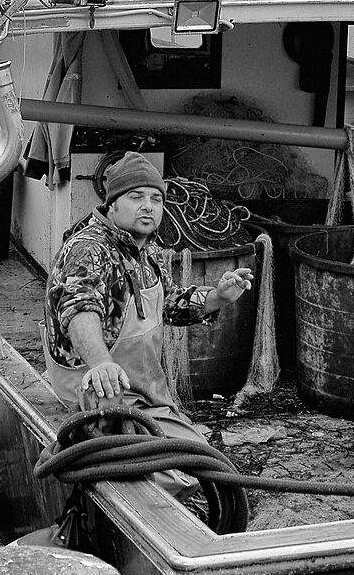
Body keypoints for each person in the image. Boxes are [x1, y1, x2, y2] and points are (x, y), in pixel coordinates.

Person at [43, 151, 252, 436]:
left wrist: (218, 296)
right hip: (96, 394)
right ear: (112, 204)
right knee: (181, 469)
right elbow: (79, 310)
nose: (148, 207)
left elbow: (169, 303)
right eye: (136, 197)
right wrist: (101, 364)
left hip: (144, 394)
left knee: (197, 460)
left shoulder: (146, 251)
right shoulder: (89, 249)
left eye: (156, 199)